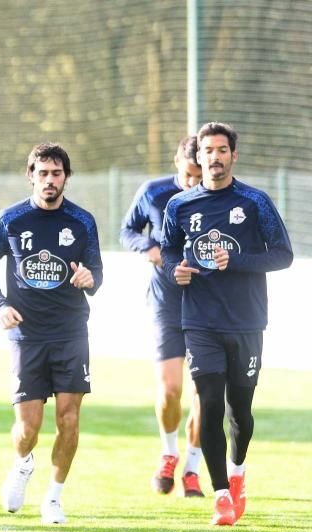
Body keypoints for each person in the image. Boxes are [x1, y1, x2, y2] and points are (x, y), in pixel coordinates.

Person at [161, 122, 293, 526]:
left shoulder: (255, 202)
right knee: (210, 404)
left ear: (233, 156)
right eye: (207, 150)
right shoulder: (179, 206)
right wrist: (175, 271)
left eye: (222, 150)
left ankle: (236, 472)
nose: (214, 157)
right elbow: (168, 251)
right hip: (199, 321)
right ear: (196, 157)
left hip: (247, 321)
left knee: (241, 412)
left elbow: (283, 255)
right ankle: (220, 496)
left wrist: (234, 262)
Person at [0, 143, 103, 525]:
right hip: (26, 336)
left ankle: (54, 497)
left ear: (66, 177)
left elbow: (96, 270)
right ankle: (23, 463)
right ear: (30, 175)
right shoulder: (11, 220)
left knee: (68, 420)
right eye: (43, 173)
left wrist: (89, 277)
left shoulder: (82, 221)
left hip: (70, 334)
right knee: (27, 428)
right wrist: (0, 305)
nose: (50, 180)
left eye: (57, 173)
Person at [119, 136, 205, 497]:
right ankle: (169, 452)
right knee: (171, 388)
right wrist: (149, 246)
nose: (193, 183)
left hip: (208, 304)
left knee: (207, 393)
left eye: (199, 176)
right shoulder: (153, 193)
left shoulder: (217, 198)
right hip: (166, 303)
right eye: (188, 174)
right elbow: (126, 231)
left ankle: (193, 468)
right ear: (176, 163)